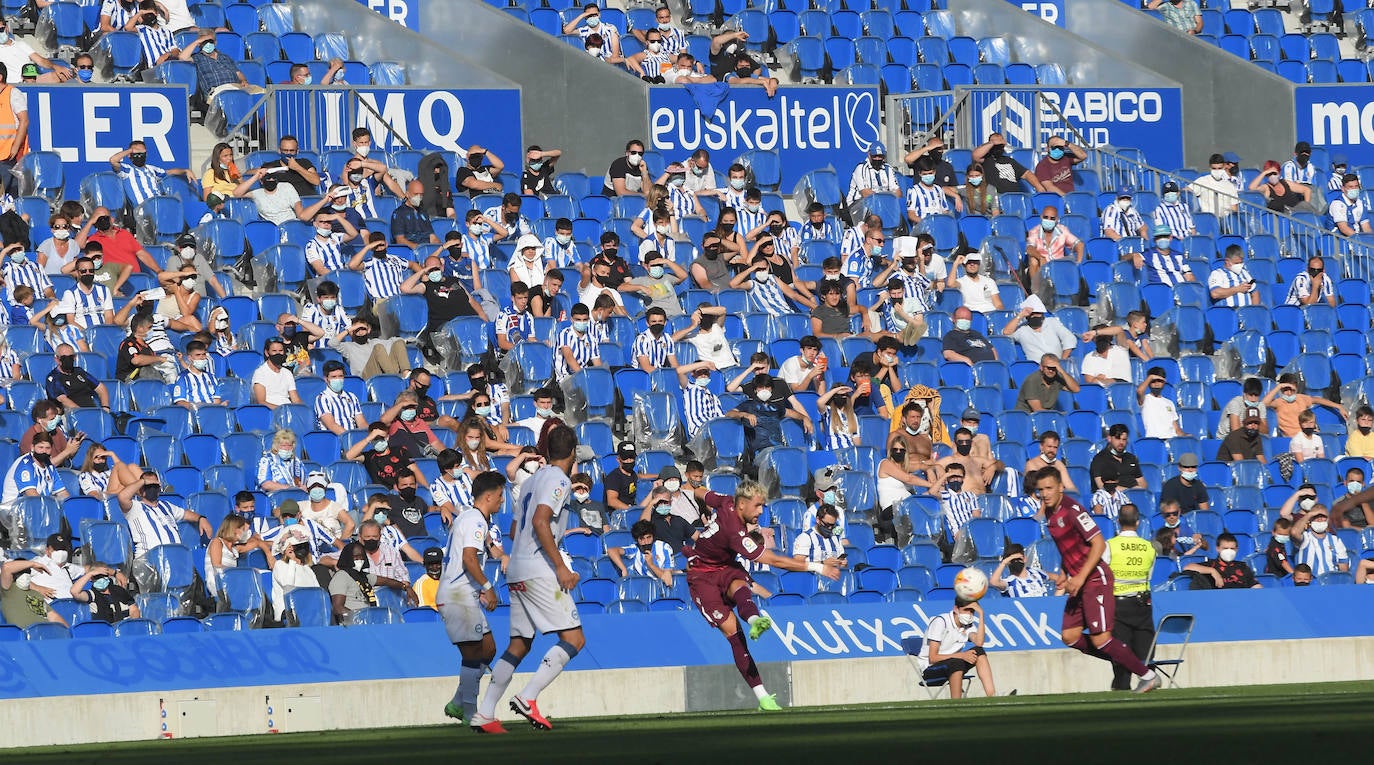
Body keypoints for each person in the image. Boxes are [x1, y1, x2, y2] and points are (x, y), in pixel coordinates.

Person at [685, 481, 841, 710]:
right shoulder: (735, 533)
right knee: (734, 635)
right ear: (741, 504)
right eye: (757, 506)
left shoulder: (726, 500)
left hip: (724, 566)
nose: (761, 511)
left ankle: (755, 620)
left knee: (739, 584)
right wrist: (819, 567)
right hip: (701, 577)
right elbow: (775, 561)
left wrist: (690, 491)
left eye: (763, 506)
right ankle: (763, 697)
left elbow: (702, 493)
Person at [471, 425, 583, 732]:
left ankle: (484, 712)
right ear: (572, 452)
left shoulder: (532, 480)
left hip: (517, 566)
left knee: (519, 643)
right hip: (538, 568)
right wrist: (560, 567)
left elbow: (513, 529)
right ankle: (528, 696)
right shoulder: (559, 479)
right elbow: (540, 519)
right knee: (574, 638)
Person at [1035, 468, 1159, 692]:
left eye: (1049, 488)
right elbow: (1067, 548)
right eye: (1041, 489)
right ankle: (1122, 656)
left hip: (1094, 579)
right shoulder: (1049, 514)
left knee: (1101, 639)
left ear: (1061, 487)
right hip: (1079, 581)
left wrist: (1080, 577)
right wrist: (1064, 572)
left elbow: (1099, 543)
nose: (1044, 493)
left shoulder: (1073, 510)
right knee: (1070, 636)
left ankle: (1147, 675)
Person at [437, 470, 507, 725]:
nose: (502, 500)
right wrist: (487, 586)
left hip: (463, 593)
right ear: (488, 496)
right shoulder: (476, 521)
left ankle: (458, 703)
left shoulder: (470, 517)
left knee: (488, 649)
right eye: (500, 496)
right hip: (457, 595)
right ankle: (470, 714)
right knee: (473, 654)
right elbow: (468, 557)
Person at [1103, 504, 1155, 691]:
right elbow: (1149, 576)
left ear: (1118, 521)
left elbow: (1103, 575)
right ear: (1138, 522)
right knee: (1146, 653)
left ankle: (1122, 688)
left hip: (1118, 604)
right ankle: (1148, 684)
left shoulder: (1110, 545)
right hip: (1142, 604)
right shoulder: (1149, 547)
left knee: (1121, 653)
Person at [118, 468, 213, 558]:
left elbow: (185, 514)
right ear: (141, 489)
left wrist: (201, 518)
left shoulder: (166, 506)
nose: (152, 489)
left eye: (155, 486)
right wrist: (143, 481)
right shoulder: (135, 508)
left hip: (175, 559)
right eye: (148, 486)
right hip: (149, 561)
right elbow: (122, 497)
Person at [915, 598, 999, 698]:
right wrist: (961, 656)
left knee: (979, 651)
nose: (969, 614)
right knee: (956, 662)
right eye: (966, 610)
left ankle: (992, 696)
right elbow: (933, 658)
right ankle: (957, 703)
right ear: (956, 609)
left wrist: (981, 615)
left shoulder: (968, 626)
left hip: (953, 663)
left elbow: (979, 643)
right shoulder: (941, 622)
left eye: (972, 611)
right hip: (930, 669)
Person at [329, 540, 417, 624]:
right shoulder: (341, 576)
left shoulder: (363, 576)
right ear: (348, 558)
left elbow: (386, 581)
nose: (360, 560)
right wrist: (359, 619)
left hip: (369, 621)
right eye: (356, 557)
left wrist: (405, 587)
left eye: (362, 557)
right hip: (353, 624)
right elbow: (338, 608)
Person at [1264, 373, 1344, 438]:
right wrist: (1278, 386)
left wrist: (1339, 406)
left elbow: (1317, 399)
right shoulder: (1278, 402)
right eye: (1285, 390)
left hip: (1307, 437)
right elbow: (1263, 404)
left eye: (1292, 390)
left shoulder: (1301, 398)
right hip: (1291, 439)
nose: (1289, 393)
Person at [1003, 295, 1076, 360]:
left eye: (1038, 313)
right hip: (1036, 368)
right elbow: (1006, 333)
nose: (1035, 316)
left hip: (1056, 364)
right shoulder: (1022, 329)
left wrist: (1062, 361)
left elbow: (1069, 338)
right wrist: (1020, 315)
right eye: (1032, 314)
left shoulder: (1052, 322)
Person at [1289, 505, 1348, 576]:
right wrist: (1309, 514)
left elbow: (1343, 566)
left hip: (1330, 582)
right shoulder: (1305, 537)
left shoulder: (1335, 540)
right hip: (1309, 582)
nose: (1319, 519)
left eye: (1323, 516)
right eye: (1316, 516)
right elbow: (1294, 532)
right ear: (1310, 519)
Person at [1189, 532, 1260, 589]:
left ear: (1236, 549)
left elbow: (1255, 585)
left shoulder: (1243, 567)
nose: (1229, 551)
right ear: (1218, 549)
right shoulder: (1211, 565)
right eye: (1225, 548)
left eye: (1232, 549)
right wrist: (1212, 571)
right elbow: (1188, 567)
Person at [1015, 353, 1080, 413]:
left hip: (1046, 416)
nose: (1051, 371)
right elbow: (1037, 410)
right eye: (1048, 368)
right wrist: (1058, 415)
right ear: (1041, 367)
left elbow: (1076, 389)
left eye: (1054, 368)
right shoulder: (1032, 380)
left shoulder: (1056, 378)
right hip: (1028, 417)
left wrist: (1062, 371)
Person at [1137, 367, 1186, 439]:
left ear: (1164, 382)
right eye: (1153, 381)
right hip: (1155, 440)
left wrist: (1186, 435)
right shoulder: (1145, 399)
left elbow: (1177, 429)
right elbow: (1139, 391)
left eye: (1159, 381)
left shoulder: (1169, 403)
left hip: (1171, 440)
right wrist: (1151, 377)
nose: (1156, 384)